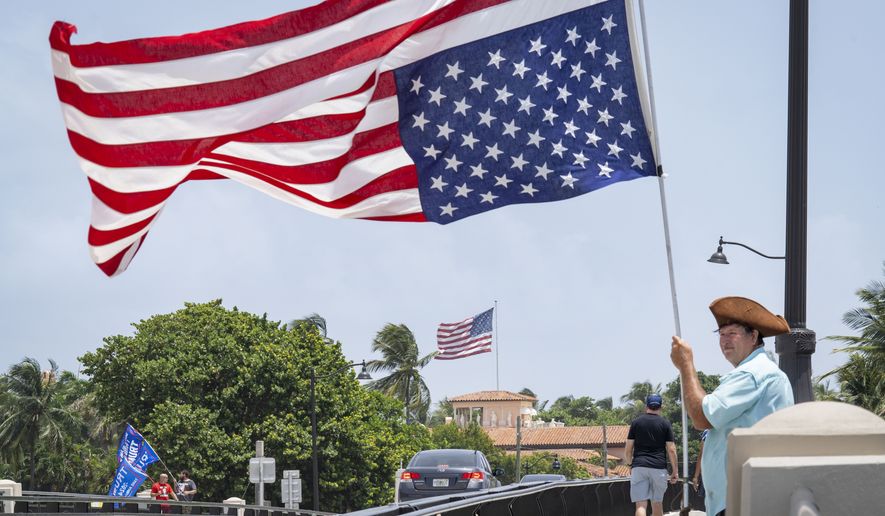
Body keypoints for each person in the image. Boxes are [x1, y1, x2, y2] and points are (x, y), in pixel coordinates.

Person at [670, 296, 794, 516]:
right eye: (721, 334)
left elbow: (702, 417)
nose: (725, 341)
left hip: (741, 502)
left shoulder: (752, 374)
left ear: (753, 336)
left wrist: (686, 365)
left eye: (732, 334)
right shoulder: (765, 372)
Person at [624, 393, 678, 516]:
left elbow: (628, 450)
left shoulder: (636, 423)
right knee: (657, 503)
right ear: (661, 407)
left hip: (639, 466)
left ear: (646, 406)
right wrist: (675, 471)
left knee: (641, 505)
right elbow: (671, 449)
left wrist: (630, 465)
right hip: (659, 468)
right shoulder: (665, 424)